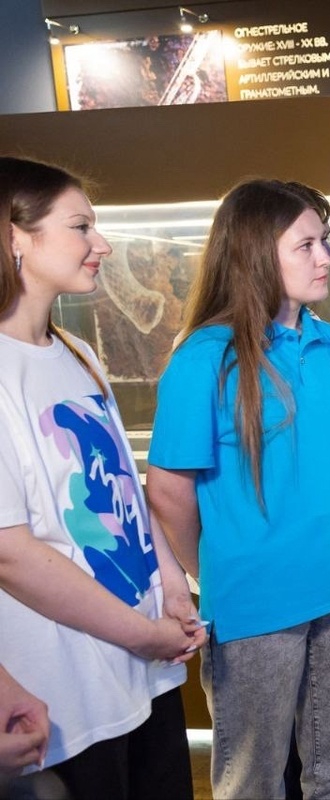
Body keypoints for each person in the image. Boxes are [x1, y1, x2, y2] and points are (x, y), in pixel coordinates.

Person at [145, 179, 330, 800]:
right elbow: (167, 491)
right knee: (252, 780)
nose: (325, 257)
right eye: (306, 245)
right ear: (255, 253)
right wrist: (214, 568)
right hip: (256, 606)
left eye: (324, 241)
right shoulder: (205, 358)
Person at [0, 156, 204, 799]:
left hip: (141, 675)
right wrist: (145, 635)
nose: (103, 245)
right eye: (81, 227)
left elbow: (123, 482)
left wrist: (172, 583)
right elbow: (10, 553)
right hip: (65, 695)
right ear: (14, 236)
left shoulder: (78, 353)